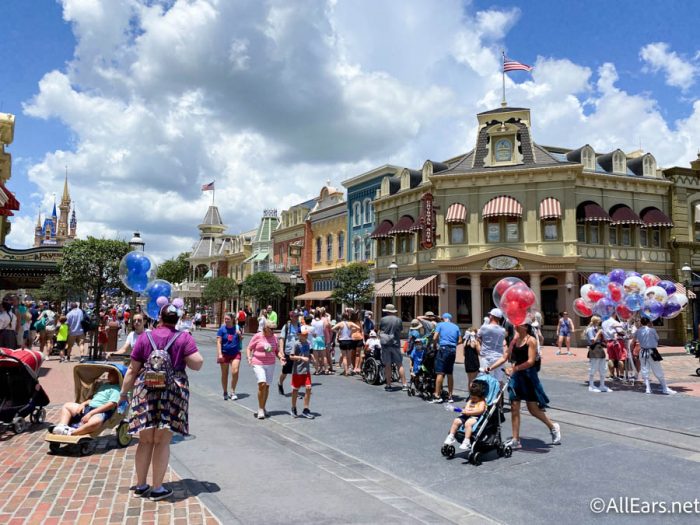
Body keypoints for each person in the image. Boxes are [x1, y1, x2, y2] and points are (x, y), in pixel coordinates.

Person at [119, 302, 204, 501]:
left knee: (145, 440)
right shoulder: (183, 337)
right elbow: (197, 363)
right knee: (162, 441)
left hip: (146, 393)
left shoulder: (145, 337)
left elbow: (132, 369)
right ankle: (157, 488)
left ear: (159, 318)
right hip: (170, 395)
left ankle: (141, 484)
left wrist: (123, 394)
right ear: (178, 320)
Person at [488, 321, 561, 450]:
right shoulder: (514, 340)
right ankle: (515, 439)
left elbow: (531, 361)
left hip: (528, 376)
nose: (516, 325)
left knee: (532, 409)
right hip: (516, 377)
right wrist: (490, 367)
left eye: (519, 324)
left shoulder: (531, 340)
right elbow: (505, 356)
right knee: (514, 406)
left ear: (526, 327)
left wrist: (515, 368)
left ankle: (553, 427)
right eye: (516, 324)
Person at [52, 368, 121, 436]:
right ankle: (62, 426)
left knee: (95, 422)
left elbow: (111, 404)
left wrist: (91, 413)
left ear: (118, 376)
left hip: (100, 411)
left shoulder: (116, 389)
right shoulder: (105, 385)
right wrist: (83, 403)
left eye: (112, 373)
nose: (109, 375)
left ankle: (72, 432)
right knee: (67, 406)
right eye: (109, 373)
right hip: (89, 407)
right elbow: (95, 398)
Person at [632, 317, 676, 395]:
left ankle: (648, 388)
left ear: (641, 323)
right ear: (649, 322)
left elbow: (634, 340)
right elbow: (657, 338)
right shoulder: (652, 330)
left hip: (642, 351)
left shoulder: (638, 331)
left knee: (644, 369)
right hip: (652, 351)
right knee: (658, 369)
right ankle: (664, 388)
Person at [442, 380, 488, 452]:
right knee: (456, 421)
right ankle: (451, 436)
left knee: (468, 423)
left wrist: (470, 412)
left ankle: (466, 441)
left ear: (480, 396)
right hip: (467, 415)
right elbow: (466, 407)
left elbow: (480, 410)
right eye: (472, 397)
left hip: (476, 417)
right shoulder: (471, 400)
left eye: (475, 398)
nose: (473, 399)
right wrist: (463, 410)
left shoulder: (481, 402)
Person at [246, 322, 279, 419]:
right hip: (258, 363)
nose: (273, 331)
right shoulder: (258, 336)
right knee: (262, 384)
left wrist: (281, 357)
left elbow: (276, 350)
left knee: (267, 386)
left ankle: (263, 407)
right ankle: (260, 409)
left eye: (274, 329)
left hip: (270, 363)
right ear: (265, 328)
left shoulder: (274, 337)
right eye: (271, 329)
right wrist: (249, 357)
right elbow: (249, 347)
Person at [431, 313, 462, 403]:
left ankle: (437, 395)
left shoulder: (440, 325)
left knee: (440, 372)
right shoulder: (456, 327)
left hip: (443, 349)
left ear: (443, 318)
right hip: (452, 350)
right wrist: (453, 344)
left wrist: (434, 345)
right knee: (449, 373)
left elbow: (435, 337)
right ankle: (450, 396)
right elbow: (460, 340)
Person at [377, 304, 407, 392]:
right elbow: (400, 330)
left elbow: (380, 329)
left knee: (388, 365)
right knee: (399, 364)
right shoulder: (398, 320)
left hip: (386, 344)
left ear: (386, 311)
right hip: (396, 343)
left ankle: (389, 384)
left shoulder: (383, 319)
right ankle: (404, 384)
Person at [289, 325, 314, 419]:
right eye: (304, 334)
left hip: (306, 370)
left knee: (308, 388)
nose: (306, 336)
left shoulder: (308, 343)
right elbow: (291, 356)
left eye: (307, 334)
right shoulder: (296, 344)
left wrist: (312, 358)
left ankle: (306, 409)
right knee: (295, 389)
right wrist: (301, 358)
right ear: (299, 335)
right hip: (297, 370)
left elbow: (308, 353)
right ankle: (293, 407)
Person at [477, 308, 507, 383]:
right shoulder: (503, 330)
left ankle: (487, 394)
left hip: (486, 357)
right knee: (499, 380)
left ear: (491, 316)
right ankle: (499, 394)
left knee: (484, 379)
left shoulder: (484, 327)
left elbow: (478, 337)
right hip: (499, 357)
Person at [217, 313, 242, 401]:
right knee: (225, 374)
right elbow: (219, 342)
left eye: (228, 319)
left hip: (235, 353)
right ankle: (225, 392)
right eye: (225, 319)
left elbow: (241, 339)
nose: (226, 320)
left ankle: (232, 392)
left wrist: (239, 334)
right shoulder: (222, 329)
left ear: (232, 319)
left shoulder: (237, 328)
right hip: (224, 353)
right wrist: (219, 354)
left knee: (235, 371)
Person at [585, 316, 611, 392]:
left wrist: (603, 335)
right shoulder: (590, 330)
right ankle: (591, 386)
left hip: (600, 349)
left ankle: (602, 385)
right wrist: (598, 333)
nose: (599, 323)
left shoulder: (597, 329)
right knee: (593, 367)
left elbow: (604, 340)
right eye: (598, 321)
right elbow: (592, 341)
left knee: (603, 368)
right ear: (595, 321)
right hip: (594, 349)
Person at [278, 312, 301, 395]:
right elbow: (282, 339)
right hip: (288, 352)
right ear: (291, 317)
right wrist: (281, 350)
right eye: (295, 316)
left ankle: (295, 390)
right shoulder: (287, 326)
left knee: (296, 371)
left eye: (297, 316)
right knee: (285, 372)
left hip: (297, 352)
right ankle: (280, 384)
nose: (297, 317)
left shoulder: (299, 326)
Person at [332, 311, 358, 376]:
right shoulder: (350, 323)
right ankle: (348, 370)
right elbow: (358, 328)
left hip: (343, 341)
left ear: (342, 317)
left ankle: (345, 371)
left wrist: (338, 332)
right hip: (349, 340)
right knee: (349, 356)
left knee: (344, 357)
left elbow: (332, 328)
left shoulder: (340, 323)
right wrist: (352, 331)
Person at [602, 315, 626, 380]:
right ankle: (621, 375)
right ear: (615, 314)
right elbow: (620, 331)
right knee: (621, 358)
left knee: (611, 358)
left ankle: (611, 375)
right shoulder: (615, 322)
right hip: (617, 341)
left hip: (609, 342)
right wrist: (625, 332)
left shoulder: (604, 323)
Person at [463, 326, 481, 390]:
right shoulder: (475, 342)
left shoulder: (465, 342)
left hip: (467, 361)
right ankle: (473, 394)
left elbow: (463, 354)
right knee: (473, 380)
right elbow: (480, 352)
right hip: (474, 361)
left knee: (469, 379)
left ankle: (470, 394)